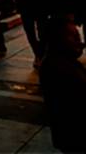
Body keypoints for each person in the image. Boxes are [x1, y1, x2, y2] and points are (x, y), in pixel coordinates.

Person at [38, 15, 86, 153]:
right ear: (56, 40)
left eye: (78, 35)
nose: (79, 41)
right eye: (72, 36)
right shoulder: (59, 68)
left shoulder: (62, 61)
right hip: (75, 136)